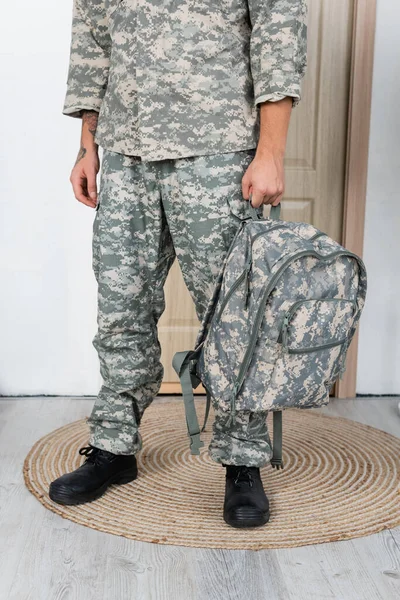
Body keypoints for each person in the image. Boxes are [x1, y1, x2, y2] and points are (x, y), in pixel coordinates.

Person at [49, 0, 307, 528]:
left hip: (217, 151)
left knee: (233, 313)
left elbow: (278, 28)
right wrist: (87, 145)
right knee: (121, 309)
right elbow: (94, 37)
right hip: (125, 151)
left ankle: (242, 456)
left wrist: (272, 152)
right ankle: (114, 445)